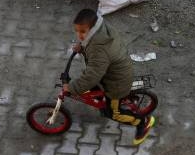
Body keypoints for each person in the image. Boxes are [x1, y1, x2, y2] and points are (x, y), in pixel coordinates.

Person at [63, 9, 155, 146]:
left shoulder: (99, 49)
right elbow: (91, 45)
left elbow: (92, 76)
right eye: (77, 31)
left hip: (116, 83)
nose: (79, 35)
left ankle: (143, 122)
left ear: (93, 28)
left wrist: (72, 87)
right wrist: (82, 47)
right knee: (91, 87)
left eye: (82, 32)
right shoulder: (102, 29)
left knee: (113, 114)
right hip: (115, 69)